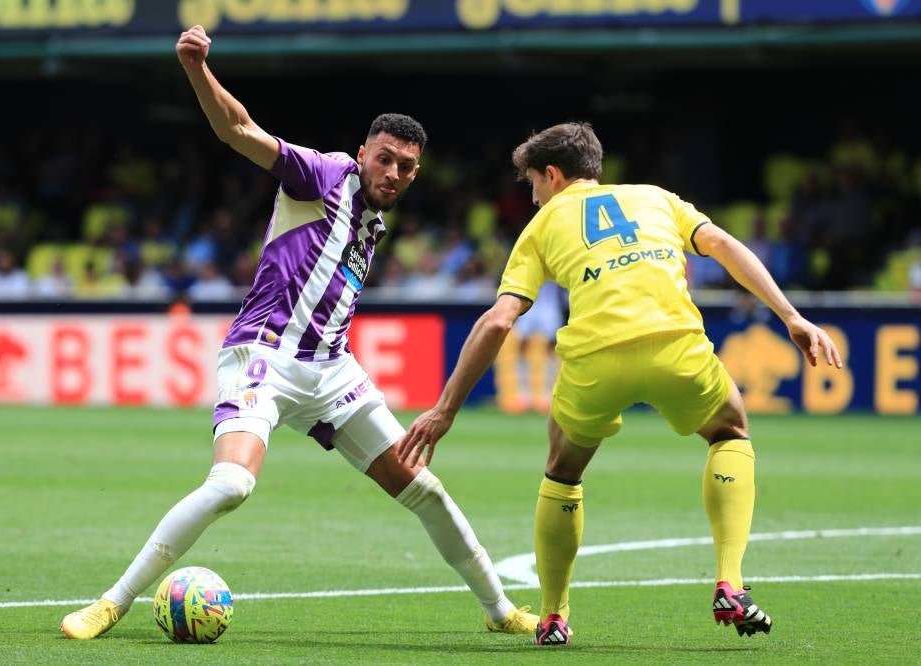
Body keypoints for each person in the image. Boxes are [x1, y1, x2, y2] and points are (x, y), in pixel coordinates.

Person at [59, 24, 536, 640]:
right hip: (264, 355)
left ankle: (501, 613)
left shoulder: (373, 222)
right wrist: (196, 68)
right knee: (232, 484)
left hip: (331, 369)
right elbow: (238, 130)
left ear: (415, 177)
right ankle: (112, 603)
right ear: (363, 153)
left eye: (405, 167)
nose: (391, 172)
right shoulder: (321, 174)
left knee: (427, 490)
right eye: (384, 158)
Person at [398, 122, 843, 646]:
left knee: (563, 472)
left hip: (595, 360)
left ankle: (554, 615)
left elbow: (498, 321)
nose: (533, 196)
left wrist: (445, 410)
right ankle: (731, 581)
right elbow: (721, 243)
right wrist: (792, 316)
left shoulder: (539, 229)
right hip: (676, 345)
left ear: (554, 174)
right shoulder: (656, 198)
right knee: (730, 433)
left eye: (533, 184)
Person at [493, 280, 566, 414]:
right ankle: (523, 394)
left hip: (550, 301)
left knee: (551, 346)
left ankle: (546, 393)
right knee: (522, 345)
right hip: (530, 301)